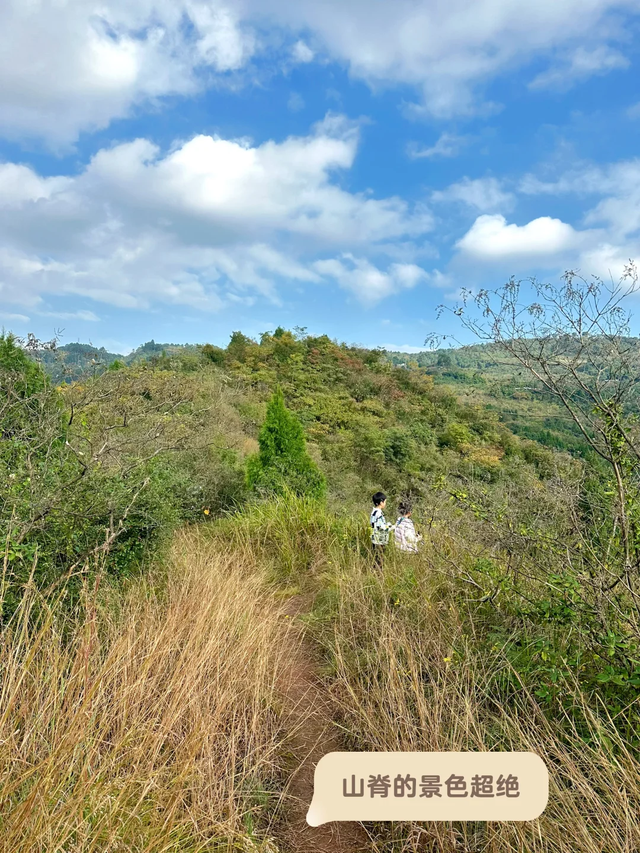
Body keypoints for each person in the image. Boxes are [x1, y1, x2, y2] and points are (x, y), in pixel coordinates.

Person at [370, 491, 394, 569]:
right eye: (385, 502)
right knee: (380, 559)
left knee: (376, 558)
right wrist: (391, 527)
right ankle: (378, 574)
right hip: (379, 539)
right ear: (381, 502)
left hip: (374, 538)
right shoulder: (379, 513)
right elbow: (381, 527)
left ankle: (375, 572)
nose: (385, 504)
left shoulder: (373, 512)